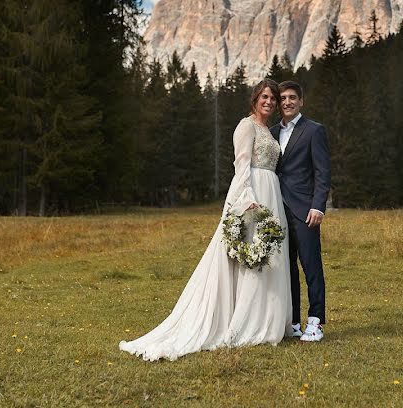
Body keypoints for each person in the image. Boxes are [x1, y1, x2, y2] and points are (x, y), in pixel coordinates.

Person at [119, 79, 291, 361]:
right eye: (265, 97)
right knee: (249, 257)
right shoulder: (246, 126)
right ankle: (246, 321)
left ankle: (269, 319)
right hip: (254, 193)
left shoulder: (268, 132)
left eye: (273, 98)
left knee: (269, 255)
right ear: (254, 99)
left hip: (272, 192)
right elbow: (241, 163)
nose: (270, 102)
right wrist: (247, 198)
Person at [269, 81, 331, 342]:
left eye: (292, 97)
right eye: (282, 98)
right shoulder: (271, 132)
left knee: (310, 265)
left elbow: (322, 172)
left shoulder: (314, 130)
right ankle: (293, 321)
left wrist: (318, 205)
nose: (287, 102)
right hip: (276, 208)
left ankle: (315, 322)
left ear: (301, 101)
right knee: (286, 268)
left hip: (305, 210)